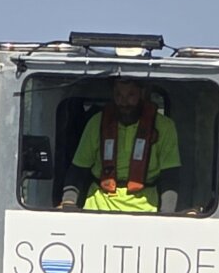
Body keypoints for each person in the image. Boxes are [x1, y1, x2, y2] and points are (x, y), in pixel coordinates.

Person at [60, 79, 181, 213]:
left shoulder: (164, 127)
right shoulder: (96, 123)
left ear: (143, 93)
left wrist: (166, 213)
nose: (123, 102)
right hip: (97, 209)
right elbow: (78, 169)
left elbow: (170, 177)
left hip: (146, 211)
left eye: (130, 95)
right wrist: (68, 201)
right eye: (118, 95)